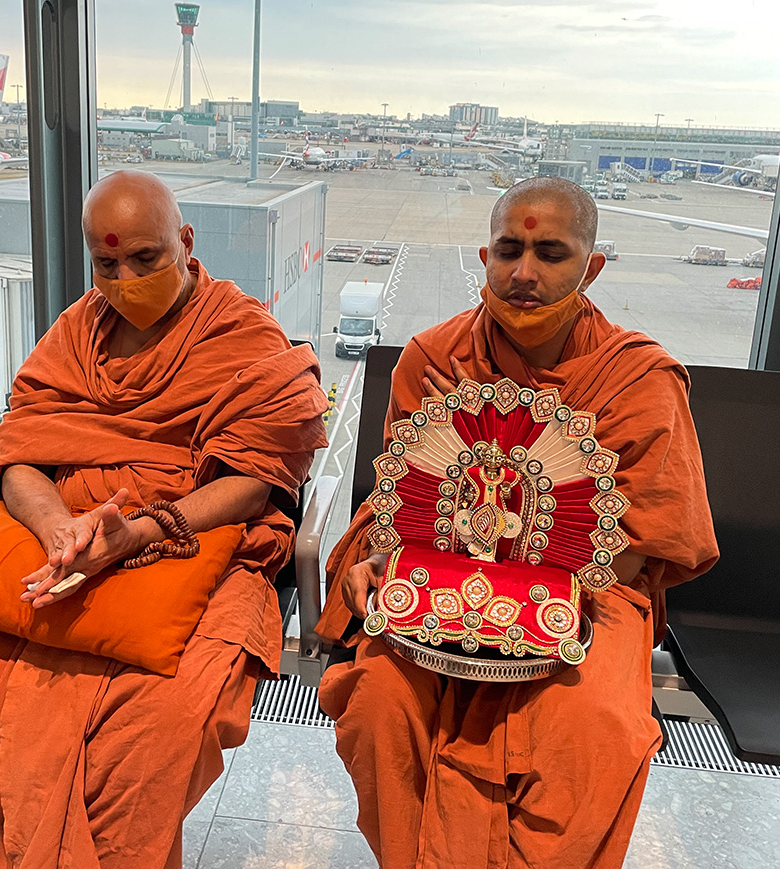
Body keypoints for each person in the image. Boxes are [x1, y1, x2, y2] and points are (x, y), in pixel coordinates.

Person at [0, 170, 329, 869]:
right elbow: (21, 453)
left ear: (186, 243)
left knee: (155, 727)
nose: (126, 281)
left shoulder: (242, 334)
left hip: (189, 540)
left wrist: (141, 532)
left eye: (146, 258)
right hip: (63, 540)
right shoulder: (77, 331)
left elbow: (255, 482)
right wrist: (55, 528)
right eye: (107, 264)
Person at [316, 176, 719, 869]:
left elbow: (640, 543)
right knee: (380, 702)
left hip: (585, 596)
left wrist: (501, 448)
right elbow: (403, 506)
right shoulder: (433, 359)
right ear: (486, 257)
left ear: (592, 267)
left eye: (550, 253)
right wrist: (380, 559)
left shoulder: (638, 380)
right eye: (509, 250)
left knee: (594, 727)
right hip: (437, 586)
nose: (524, 273)